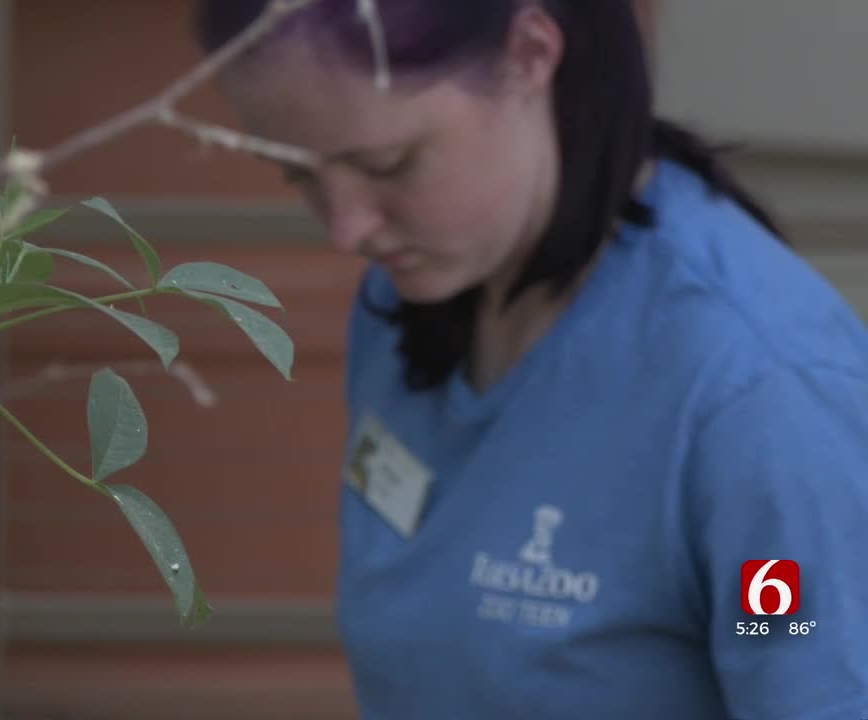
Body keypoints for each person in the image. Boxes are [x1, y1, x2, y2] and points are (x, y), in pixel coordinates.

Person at [192, 1, 868, 718]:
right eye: (295, 175)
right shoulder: (401, 307)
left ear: (530, 55)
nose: (347, 228)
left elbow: (813, 675)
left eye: (386, 164)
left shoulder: (759, 397)